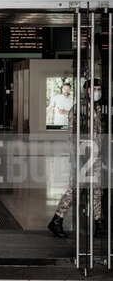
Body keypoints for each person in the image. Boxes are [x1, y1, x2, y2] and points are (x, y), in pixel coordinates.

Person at [48, 78, 103, 238]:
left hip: (96, 155)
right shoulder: (79, 109)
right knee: (75, 189)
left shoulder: (98, 109)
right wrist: (76, 158)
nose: (97, 92)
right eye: (95, 89)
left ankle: (98, 223)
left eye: (99, 89)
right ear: (87, 90)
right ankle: (57, 220)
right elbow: (72, 135)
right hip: (82, 156)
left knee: (97, 190)